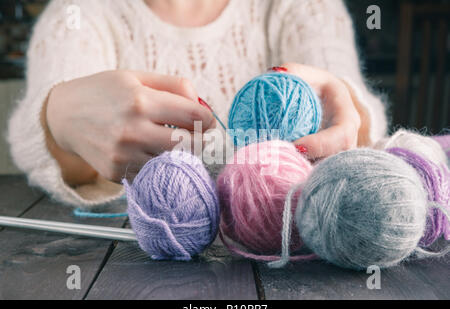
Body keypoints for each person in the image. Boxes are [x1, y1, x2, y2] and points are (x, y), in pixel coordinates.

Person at [7, 0, 387, 208]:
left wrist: (345, 110)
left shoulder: (303, 6)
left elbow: (350, 106)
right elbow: (38, 137)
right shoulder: (77, 13)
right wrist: (58, 115)